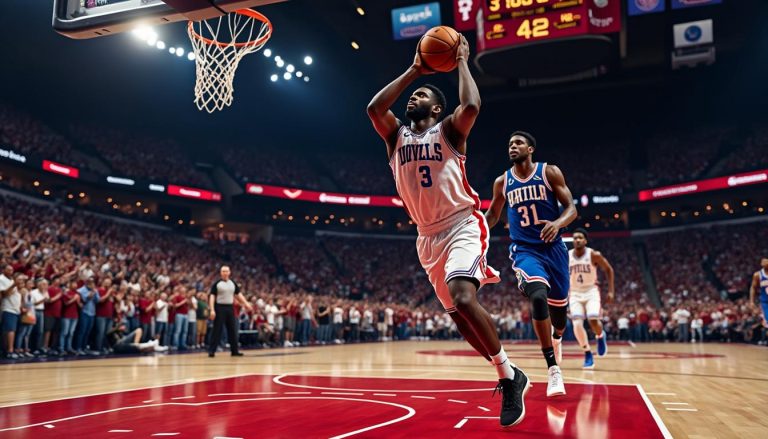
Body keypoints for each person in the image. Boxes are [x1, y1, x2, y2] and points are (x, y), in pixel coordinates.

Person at [367, 36, 529, 428]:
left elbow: (471, 104)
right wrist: (414, 71)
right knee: (458, 317)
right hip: (427, 236)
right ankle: (510, 376)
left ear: (437, 108)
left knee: (462, 293)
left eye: (421, 94)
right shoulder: (395, 137)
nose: (413, 98)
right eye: (413, 94)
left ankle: (508, 374)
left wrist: (460, 62)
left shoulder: (449, 131)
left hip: (461, 223)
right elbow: (374, 108)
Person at [485, 131, 577, 397]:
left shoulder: (549, 172)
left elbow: (571, 208)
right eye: (510, 143)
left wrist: (558, 223)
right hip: (525, 250)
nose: (512, 147)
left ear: (531, 148)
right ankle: (553, 370)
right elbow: (492, 214)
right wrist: (472, 228)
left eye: (518, 143)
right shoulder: (502, 181)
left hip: (555, 250)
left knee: (559, 317)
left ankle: (557, 336)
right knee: (537, 296)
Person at [567, 228, 614, 369]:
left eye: (580, 238)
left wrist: (611, 291)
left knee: (593, 320)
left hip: (591, 291)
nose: (577, 240)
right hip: (574, 293)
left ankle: (600, 336)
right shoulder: (567, 256)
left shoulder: (593, 254)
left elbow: (608, 269)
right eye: (575, 238)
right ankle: (587, 352)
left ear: (585, 241)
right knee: (576, 324)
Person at [208, 266, 252, 357]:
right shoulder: (217, 284)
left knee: (232, 329)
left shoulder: (232, 283)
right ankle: (212, 351)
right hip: (219, 307)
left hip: (230, 307)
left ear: (229, 272)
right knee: (217, 329)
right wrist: (212, 310)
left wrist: (246, 303)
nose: (225, 273)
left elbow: (238, 295)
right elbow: (212, 297)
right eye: (223, 271)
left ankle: (234, 351)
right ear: (221, 273)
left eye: (226, 271)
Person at [749, 258, 768, 326]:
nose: (764, 262)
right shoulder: (757, 275)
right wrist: (751, 301)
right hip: (765, 302)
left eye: (766, 260)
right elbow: (753, 288)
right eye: (762, 261)